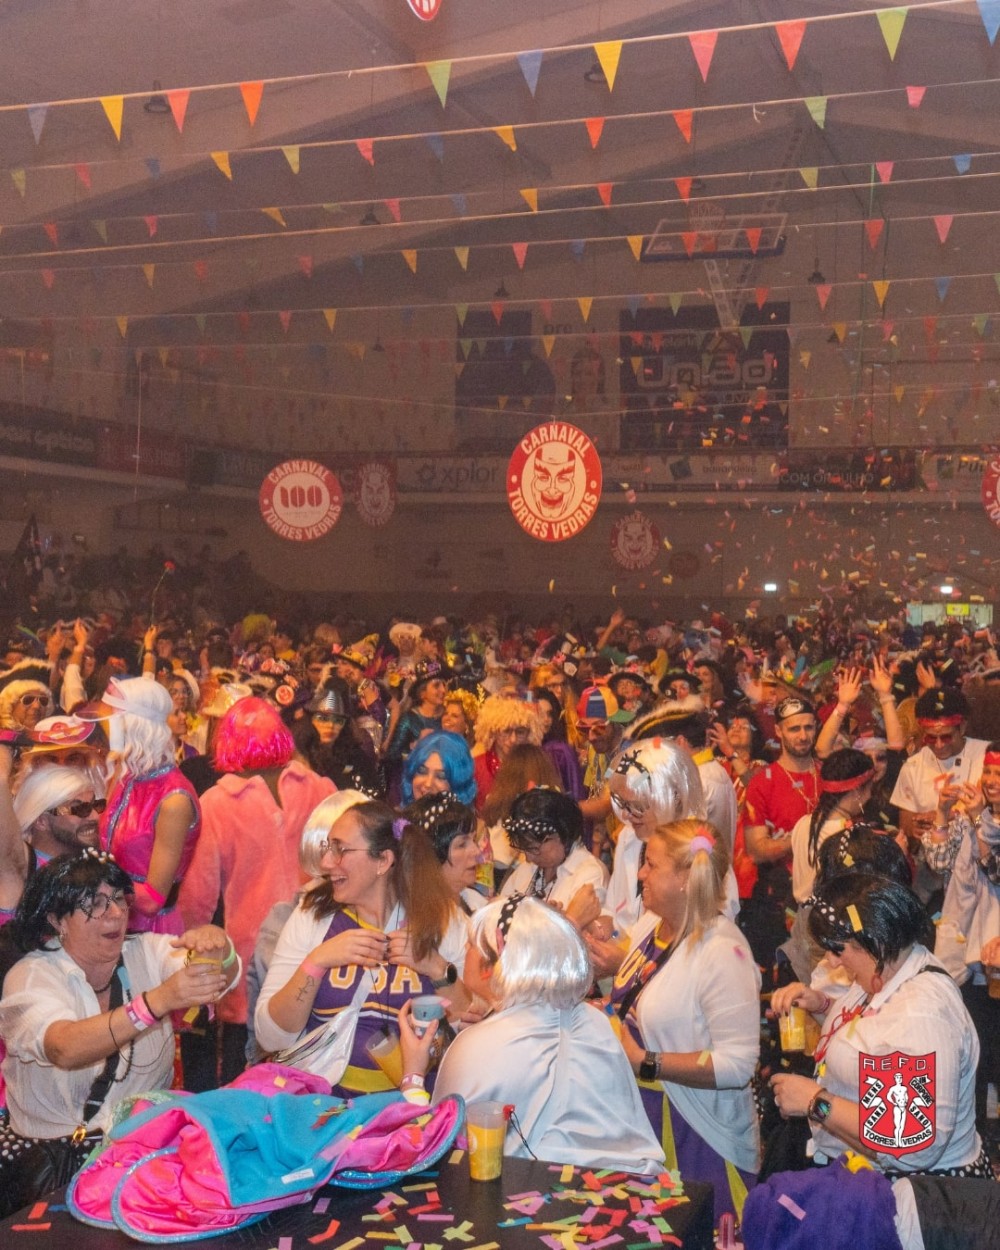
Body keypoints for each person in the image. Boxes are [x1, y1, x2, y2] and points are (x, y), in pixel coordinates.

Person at [0, 849, 238, 1218]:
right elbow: (64, 1047)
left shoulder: (146, 951)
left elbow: (217, 975)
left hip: (143, 1160)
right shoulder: (31, 977)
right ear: (57, 919)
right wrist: (155, 1002)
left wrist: (217, 949)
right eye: (94, 904)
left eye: (118, 899)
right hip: (54, 1167)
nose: (114, 913)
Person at [397, 894, 666, 1174]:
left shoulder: (479, 1044)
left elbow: (433, 1148)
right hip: (626, 1188)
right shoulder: (595, 1022)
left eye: (472, 944)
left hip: (540, 1194)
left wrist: (413, 1076)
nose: (466, 950)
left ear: (497, 956)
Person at [770, 874, 988, 1177]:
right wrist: (822, 1006)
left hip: (916, 1192)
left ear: (875, 940)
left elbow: (910, 1143)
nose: (832, 962)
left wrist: (815, 1102)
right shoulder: (890, 970)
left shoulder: (920, 1014)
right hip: (875, 1179)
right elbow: (873, 1039)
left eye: (838, 949)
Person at [254, 800, 470, 1097]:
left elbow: (469, 1027)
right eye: (328, 848)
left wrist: (436, 967)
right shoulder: (313, 916)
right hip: (323, 1109)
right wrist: (317, 961)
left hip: (411, 1111)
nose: (326, 862)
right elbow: (271, 1037)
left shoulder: (444, 920)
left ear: (383, 861)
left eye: (340, 849)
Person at [177, 695, 335, 1085]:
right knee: (314, 1056)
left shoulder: (217, 804)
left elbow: (198, 897)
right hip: (318, 937)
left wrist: (193, 942)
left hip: (249, 954)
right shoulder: (320, 788)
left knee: (246, 1067)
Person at [609, 819, 760, 1223]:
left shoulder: (723, 952)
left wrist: (647, 1062)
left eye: (651, 865)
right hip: (643, 1121)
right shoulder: (652, 926)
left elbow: (738, 1065)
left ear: (684, 879)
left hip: (697, 1134)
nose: (640, 873)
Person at [95, 676, 201, 936]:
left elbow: (153, 900)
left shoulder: (174, 800)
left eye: (113, 722)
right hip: (111, 917)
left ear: (134, 727)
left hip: (148, 931)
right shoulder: (126, 776)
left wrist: (93, 881)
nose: (106, 730)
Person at [934, 739, 1000, 1145]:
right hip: (968, 955)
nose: (991, 780)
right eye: (988, 771)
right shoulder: (970, 816)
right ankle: (972, 1142)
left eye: (999, 773)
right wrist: (943, 813)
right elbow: (938, 862)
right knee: (974, 1051)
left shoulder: (979, 818)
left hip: (994, 955)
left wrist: (980, 820)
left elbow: (995, 869)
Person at [890, 687, 989, 906]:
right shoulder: (913, 767)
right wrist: (916, 828)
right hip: (933, 878)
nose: (939, 744)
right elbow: (905, 822)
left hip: (982, 874)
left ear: (962, 726)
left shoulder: (987, 757)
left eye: (946, 736)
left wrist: (945, 816)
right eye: (930, 738)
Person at [742, 695, 820, 969]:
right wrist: (806, 834)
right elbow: (756, 850)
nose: (803, 736)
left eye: (808, 727)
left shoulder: (827, 775)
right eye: (794, 729)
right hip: (780, 900)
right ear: (778, 730)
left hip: (826, 895)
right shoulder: (763, 783)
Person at [500, 786, 607, 914]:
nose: (528, 858)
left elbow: (584, 923)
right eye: (524, 849)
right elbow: (498, 912)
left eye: (534, 848)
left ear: (561, 834)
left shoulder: (589, 873)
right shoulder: (527, 870)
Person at [790, 748, 874, 905]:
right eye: (870, 788)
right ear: (857, 790)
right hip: (831, 916)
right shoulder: (848, 835)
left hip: (803, 915)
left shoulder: (803, 823)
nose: (870, 795)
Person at [403, 791, 487, 916]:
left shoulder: (474, 900)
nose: (477, 851)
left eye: (474, 840)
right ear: (431, 856)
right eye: (461, 845)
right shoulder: (416, 919)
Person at [471, 696, 542, 814]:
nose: (513, 739)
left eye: (520, 732)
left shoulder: (537, 765)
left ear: (529, 734)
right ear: (493, 731)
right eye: (506, 731)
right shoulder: (476, 767)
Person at [400, 730, 477, 806]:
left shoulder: (464, 815)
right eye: (422, 771)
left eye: (441, 776)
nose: (428, 784)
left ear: (458, 783)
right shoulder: (399, 813)